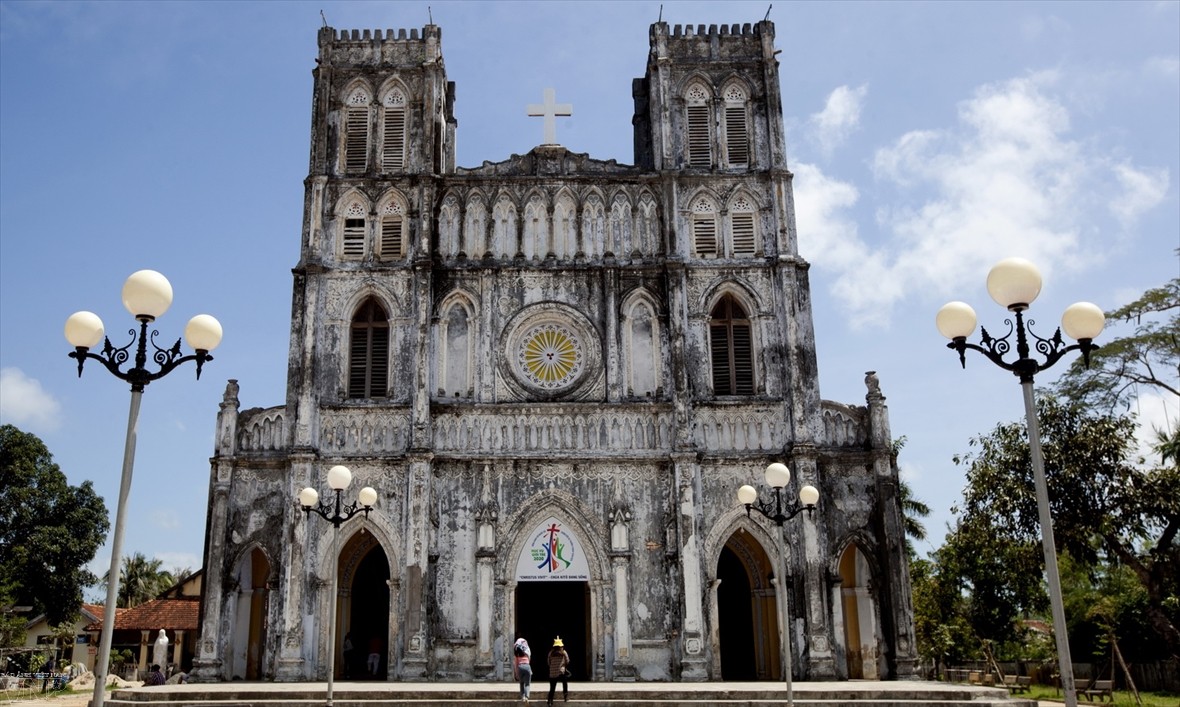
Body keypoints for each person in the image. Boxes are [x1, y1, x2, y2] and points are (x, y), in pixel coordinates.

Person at [546, 636, 570, 706]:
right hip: (561, 672)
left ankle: (550, 701)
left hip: (552, 673)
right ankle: (565, 696)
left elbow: (548, 662)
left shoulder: (551, 653)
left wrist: (553, 666)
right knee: (564, 683)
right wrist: (563, 665)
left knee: (552, 688)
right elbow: (567, 661)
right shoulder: (563, 652)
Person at [512, 636, 532, 702]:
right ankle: (527, 697)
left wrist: (516, 673)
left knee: (521, 683)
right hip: (527, 666)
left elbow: (515, 664)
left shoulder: (516, 655)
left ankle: (523, 697)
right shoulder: (527, 652)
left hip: (520, 667)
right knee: (527, 684)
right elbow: (529, 661)